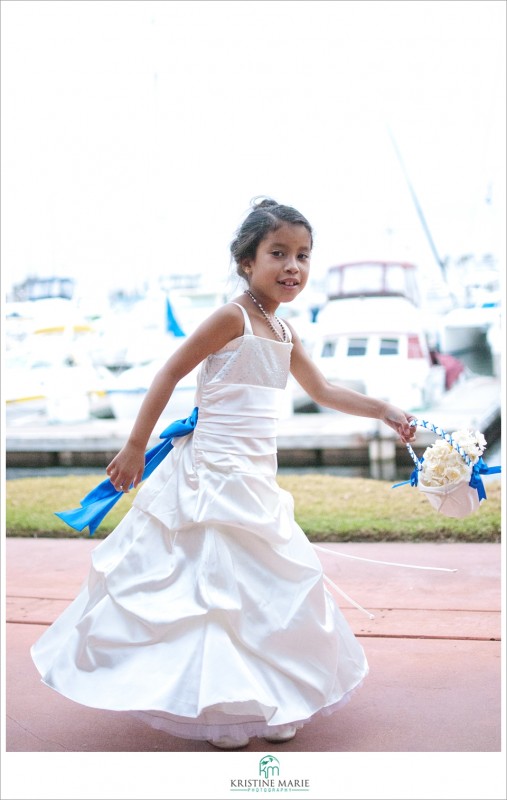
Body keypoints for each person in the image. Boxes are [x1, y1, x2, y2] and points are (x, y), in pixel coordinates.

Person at [31, 197, 416, 750]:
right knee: (212, 594)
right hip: (210, 473)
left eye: (303, 256)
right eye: (278, 253)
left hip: (257, 478)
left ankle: (278, 696)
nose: (293, 267)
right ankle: (223, 710)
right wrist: (135, 445)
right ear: (246, 262)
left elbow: (324, 390)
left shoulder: (284, 333)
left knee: (269, 589)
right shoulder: (230, 317)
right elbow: (169, 371)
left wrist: (382, 409)